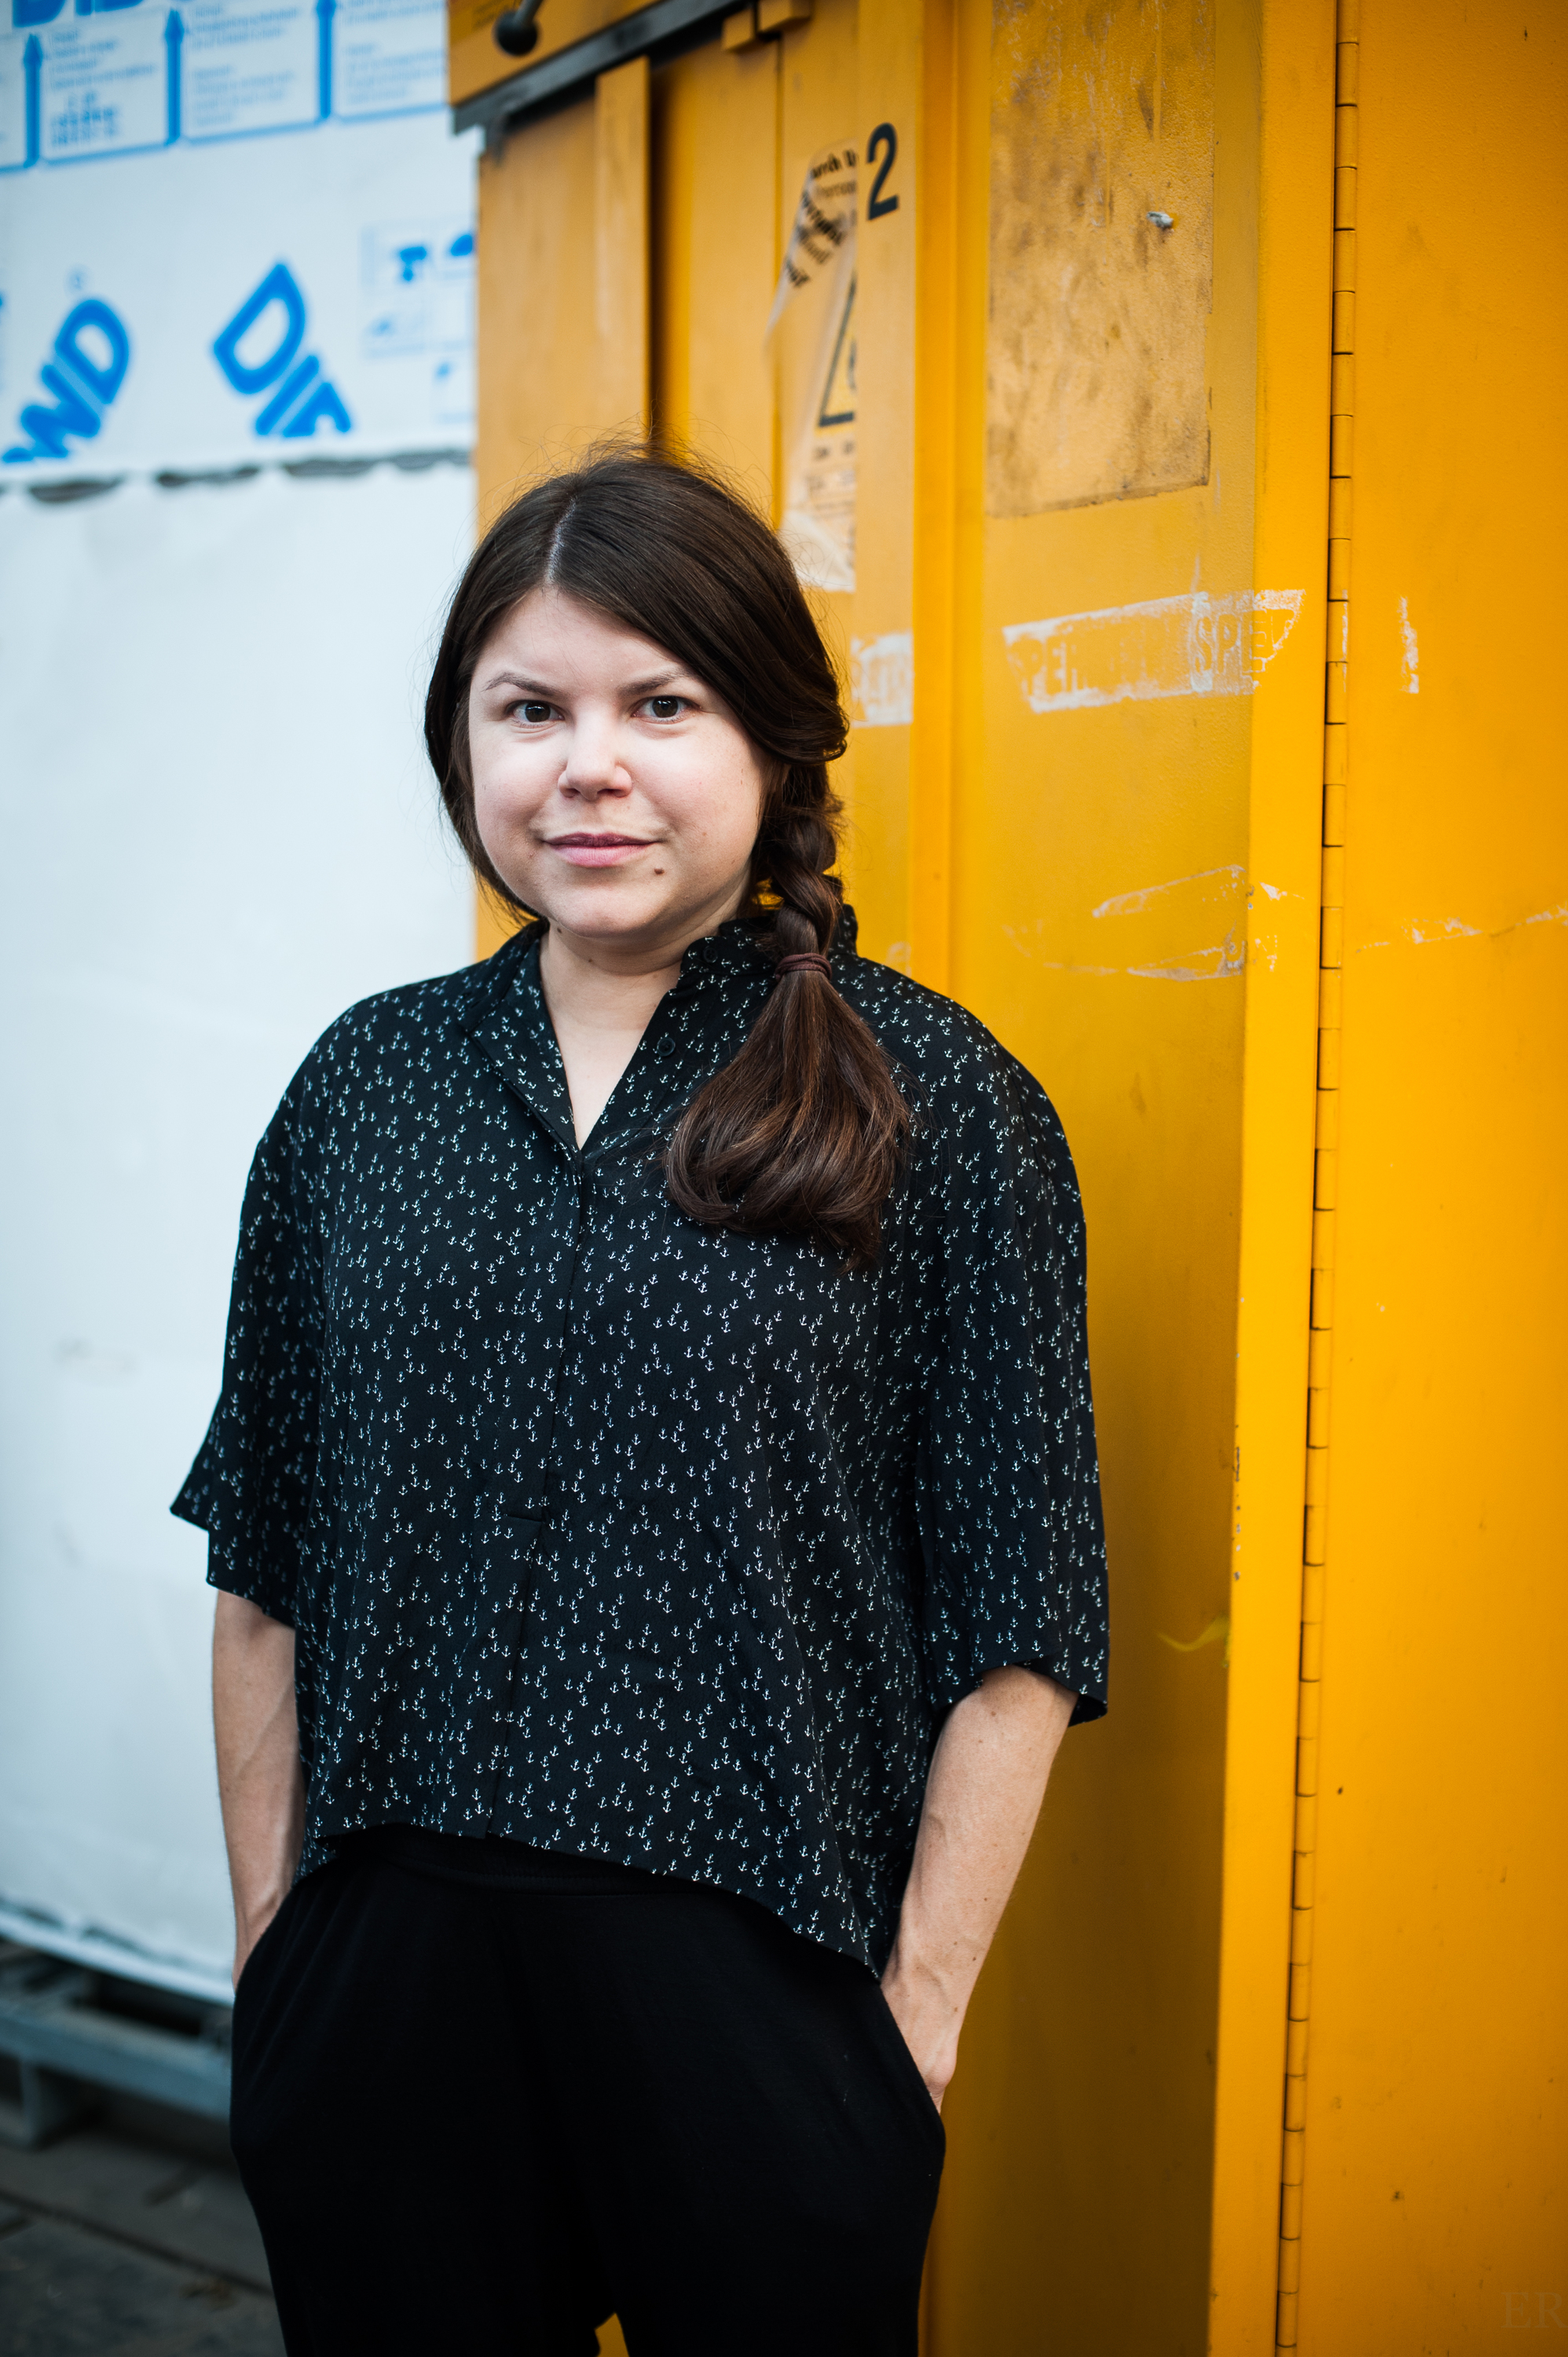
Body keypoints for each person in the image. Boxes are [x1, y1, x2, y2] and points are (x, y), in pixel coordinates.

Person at [177, 449, 1108, 2357]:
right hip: (385, 1982)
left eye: (657, 706)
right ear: (463, 747)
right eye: (528, 710)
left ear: (769, 740)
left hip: (757, 1996)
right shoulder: (366, 1090)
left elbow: (1021, 1627)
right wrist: (275, 1955)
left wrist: (911, 2029)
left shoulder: (933, 1101)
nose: (585, 767)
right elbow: (261, 1565)